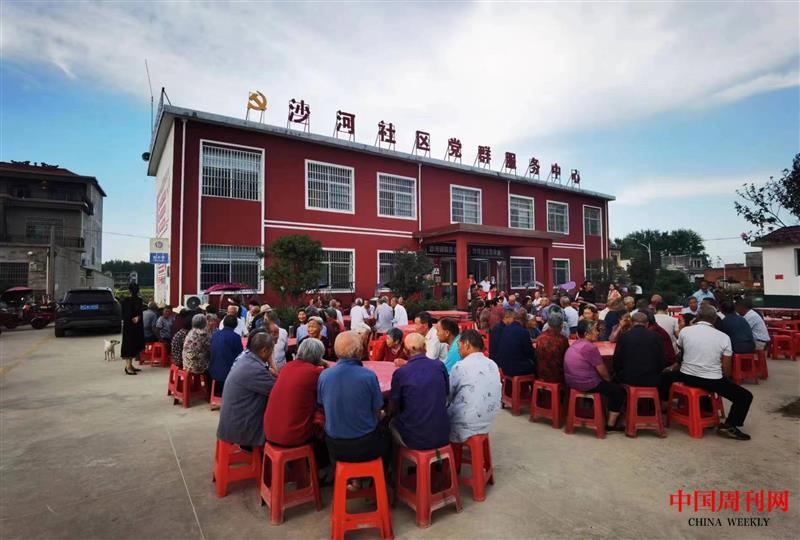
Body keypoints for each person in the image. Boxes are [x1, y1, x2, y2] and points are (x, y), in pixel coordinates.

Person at [662, 304, 754, 440]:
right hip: (711, 379)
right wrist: (723, 379)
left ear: (697, 316)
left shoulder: (686, 331)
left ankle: (665, 406)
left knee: (665, 375)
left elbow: (681, 350)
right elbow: (727, 369)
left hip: (686, 375)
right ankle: (730, 425)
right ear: (715, 319)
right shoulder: (723, 337)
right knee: (745, 396)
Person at [317, 331, 391, 465]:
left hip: (334, 445)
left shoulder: (324, 376)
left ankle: (346, 475)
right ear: (359, 351)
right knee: (387, 430)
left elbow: (322, 405)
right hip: (365, 444)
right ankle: (382, 474)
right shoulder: (368, 376)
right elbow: (377, 411)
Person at [264, 338, 328, 468]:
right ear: (318, 357)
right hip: (292, 436)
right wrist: (325, 364)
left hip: (270, 432)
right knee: (325, 421)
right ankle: (320, 468)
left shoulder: (287, 367)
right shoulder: (316, 373)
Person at [388, 333, 450, 449]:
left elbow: (395, 406)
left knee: (390, 423)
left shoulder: (401, 373)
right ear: (425, 348)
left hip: (415, 437)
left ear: (405, 351)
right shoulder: (439, 366)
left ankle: (395, 459)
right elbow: (446, 393)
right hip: (442, 432)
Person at [217, 332, 277, 448]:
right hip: (241, 428)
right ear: (264, 351)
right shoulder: (255, 369)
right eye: (271, 351)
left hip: (232, 421)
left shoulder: (246, 358)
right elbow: (278, 391)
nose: (271, 354)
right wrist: (274, 367)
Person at [564, 320, 625, 430]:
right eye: (595, 330)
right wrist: (609, 380)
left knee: (606, 384)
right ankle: (611, 424)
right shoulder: (589, 348)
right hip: (586, 384)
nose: (598, 333)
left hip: (571, 382)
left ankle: (590, 409)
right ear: (587, 333)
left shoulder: (575, 344)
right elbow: (602, 371)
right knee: (618, 391)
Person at [447, 329, 502, 443]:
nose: (458, 349)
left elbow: (448, 395)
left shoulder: (460, 366)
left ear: (467, 344)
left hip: (465, 424)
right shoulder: (492, 364)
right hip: (487, 421)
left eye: (459, 345)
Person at [613, 312, 665, 388]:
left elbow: (617, 360)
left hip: (629, 379)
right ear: (647, 324)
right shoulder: (656, 336)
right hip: (652, 379)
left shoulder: (624, 336)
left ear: (631, 323)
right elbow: (661, 359)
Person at [494, 308, 536, 376]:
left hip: (503, 366)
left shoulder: (505, 329)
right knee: (537, 364)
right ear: (524, 321)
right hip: (516, 369)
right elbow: (529, 353)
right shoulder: (523, 332)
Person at [209, 314, 245, 390]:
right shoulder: (236, 337)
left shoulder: (215, 334)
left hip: (212, 371)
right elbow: (240, 356)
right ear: (235, 325)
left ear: (224, 323)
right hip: (228, 374)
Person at [535, 311, 570, 383]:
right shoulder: (562, 340)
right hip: (557, 376)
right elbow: (566, 358)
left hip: (541, 374)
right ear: (561, 325)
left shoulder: (540, 337)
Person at [120, 283, 145, 376]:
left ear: (129, 290)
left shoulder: (132, 300)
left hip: (134, 326)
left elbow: (127, 314)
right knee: (129, 345)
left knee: (133, 345)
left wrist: (137, 317)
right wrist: (136, 317)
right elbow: (127, 314)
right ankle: (128, 367)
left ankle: (130, 365)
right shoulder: (131, 300)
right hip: (130, 327)